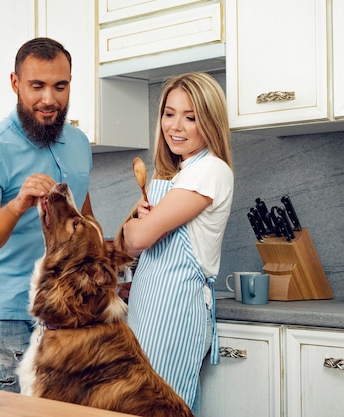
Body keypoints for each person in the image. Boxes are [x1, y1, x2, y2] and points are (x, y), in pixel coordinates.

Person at [0, 37, 93, 393]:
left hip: (67, 315)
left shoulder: (79, 143)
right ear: (15, 84)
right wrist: (18, 204)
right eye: (37, 86)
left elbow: (84, 224)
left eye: (59, 86)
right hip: (8, 317)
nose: (49, 99)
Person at [117, 72, 234, 414]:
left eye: (190, 116)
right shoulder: (177, 175)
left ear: (209, 122)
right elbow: (128, 250)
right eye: (169, 113)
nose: (175, 126)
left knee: (162, 407)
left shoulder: (210, 169)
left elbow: (136, 238)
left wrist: (137, 226)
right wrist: (139, 221)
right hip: (147, 310)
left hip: (176, 312)